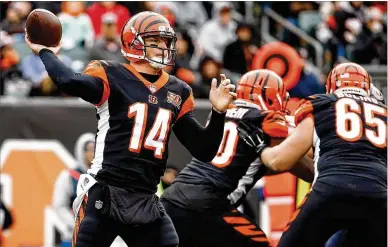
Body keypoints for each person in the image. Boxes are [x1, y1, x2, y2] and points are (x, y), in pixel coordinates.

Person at [25, 11, 236, 247]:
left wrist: (219, 113)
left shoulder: (178, 90)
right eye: (154, 42)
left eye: (165, 42)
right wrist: (46, 52)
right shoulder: (112, 73)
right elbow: (69, 81)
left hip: (146, 197)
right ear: (134, 43)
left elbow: (204, 150)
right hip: (106, 192)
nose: (162, 48)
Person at [238, 62, 387, 247]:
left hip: (330, 190)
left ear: (331, 86)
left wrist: (259, 147)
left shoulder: (321, 105)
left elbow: (278, 161)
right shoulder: (383, 114)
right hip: (378, 196)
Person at [161, 69, 314, 247]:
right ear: (272, 97)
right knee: (258, 242)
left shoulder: (222, 113)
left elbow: (259, 164)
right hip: (207, 205)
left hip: (171, 201)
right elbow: (303, 151)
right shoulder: (265, 120)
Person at [52, 133, 95, 243]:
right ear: (81, 151)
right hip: (74, 235)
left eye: (95, 149)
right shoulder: (69, 176)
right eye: (89, 150)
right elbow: (59, 206)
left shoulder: (102, 177)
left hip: (97, 235)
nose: (92, 153)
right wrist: (76, 224)